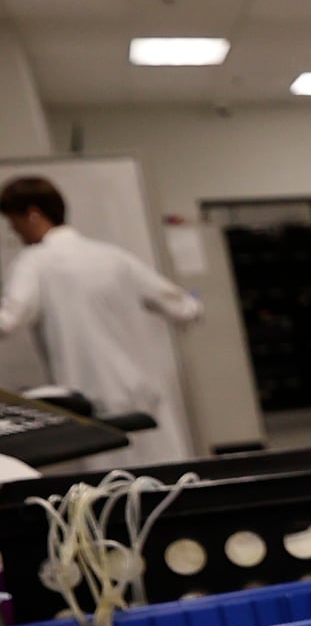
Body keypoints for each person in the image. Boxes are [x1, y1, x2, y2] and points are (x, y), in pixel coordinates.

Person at [0, 176, 203, 466]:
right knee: (165, 483)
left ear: (33, 214)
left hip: (94, 400)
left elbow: (7, 320)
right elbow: (184, 307)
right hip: (143, 394)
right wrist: (196, 300)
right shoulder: (114, 257)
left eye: (14, 222)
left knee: (112, 496)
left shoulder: (35, 261)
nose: (14, 231)